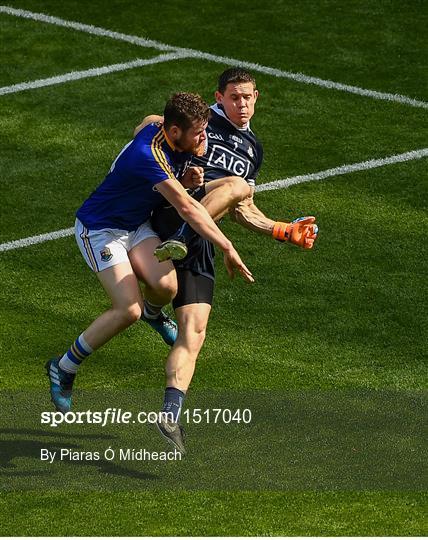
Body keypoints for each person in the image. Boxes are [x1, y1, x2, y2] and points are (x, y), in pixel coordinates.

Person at [136, 68, 318, 454]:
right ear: (219, 98)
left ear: (258, 97)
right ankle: (177, 247)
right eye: (234, 97)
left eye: (248, 97)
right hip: (174, 214)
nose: (243, 104)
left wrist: (283, 230)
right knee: (232, 187)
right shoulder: (203, 121)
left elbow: (241, 206)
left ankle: (169, 415)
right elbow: (153, 123)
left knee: (195, 332)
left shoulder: (253, 150)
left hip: (202, 239)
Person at [46, 92, 254, 417]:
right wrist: (227, 246)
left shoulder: (164, 133)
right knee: (128, 309)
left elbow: (147, 125)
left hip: (135, 223)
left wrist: (183, 179)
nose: (204, 138)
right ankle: (64, 366)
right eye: (198, 132)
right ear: (174, 132)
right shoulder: (148, 155)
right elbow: (187, 208)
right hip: (101, 229)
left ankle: (154, 315)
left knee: (167, 287)